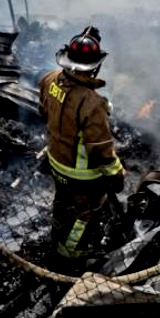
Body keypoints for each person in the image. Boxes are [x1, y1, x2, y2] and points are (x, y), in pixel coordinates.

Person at [38, 27, 125, 272]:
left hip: (56, 162)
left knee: (62, 201)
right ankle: (70, 257)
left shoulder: (49, 79)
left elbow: (43, 111)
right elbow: (100, 150)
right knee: (84, 216)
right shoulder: (91, 102)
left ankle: (57, 234)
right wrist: (117, 175)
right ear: (94, 66)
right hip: (82, 176)